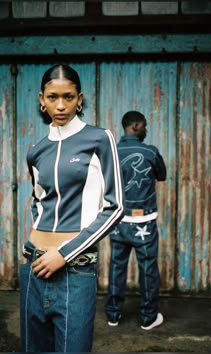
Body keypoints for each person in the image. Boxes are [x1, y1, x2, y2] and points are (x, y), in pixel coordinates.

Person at [19, 64, 124, 352]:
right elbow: (40, 203)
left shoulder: (100, 139)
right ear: (42, 99)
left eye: (69, 97)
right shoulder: (36, 150)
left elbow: (115, 208)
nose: (61, 105)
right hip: (34, 267)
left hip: (75, 272)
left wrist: (64, 254)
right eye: (53, 97)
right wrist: (34, 256)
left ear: (80, 99)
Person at [105, 110, 166, 330]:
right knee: (148, 268)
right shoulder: (150, 152)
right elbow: (162, 175)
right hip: (144, 223)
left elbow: (105, 182)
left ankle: (113, 315)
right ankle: (148, 318)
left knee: (116, 267)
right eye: (145, 125)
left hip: (118, 222)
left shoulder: (111, 152)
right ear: (137, 126)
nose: (146, 130)